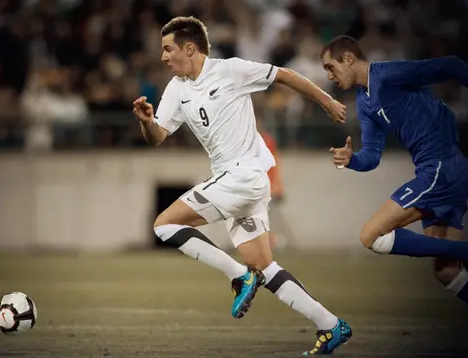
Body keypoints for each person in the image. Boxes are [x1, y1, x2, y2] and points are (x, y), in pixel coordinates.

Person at [133, 16, 351, 356]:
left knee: (164, 225)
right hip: (240, 183)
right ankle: (330, 325)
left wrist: (326, 101)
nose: (162, 57)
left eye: (167, 49)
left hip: (243, 175)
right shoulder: (176, 88)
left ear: (189, 48)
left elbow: (284, 74)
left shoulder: (229, 70)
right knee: (264, 264)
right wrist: (147, 123)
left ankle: (239, 276)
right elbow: (158, 137)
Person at [322, 35, 468, 336]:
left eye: (331, 67)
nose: (329, 76)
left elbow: (451, 65)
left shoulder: (387, 75)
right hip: (445, 170)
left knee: (370, 235)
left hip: (440, 167)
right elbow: (371, 156)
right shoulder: (364, 100)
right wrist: (351, 159)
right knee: (446, 272)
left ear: (347, 58)